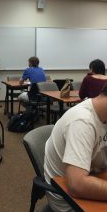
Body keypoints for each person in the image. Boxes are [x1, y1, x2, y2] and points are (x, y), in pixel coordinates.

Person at [44, 83, 107, 212]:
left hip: (95, 175)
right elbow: (77, 185)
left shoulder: (103, 115)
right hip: (68, 202)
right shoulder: (82, 122)